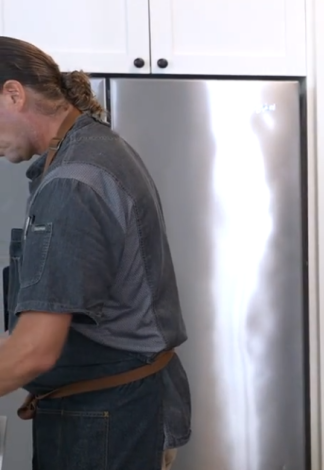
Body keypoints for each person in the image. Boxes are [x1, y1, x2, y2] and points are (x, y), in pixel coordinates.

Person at [0, 37, 191, 470]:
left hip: (105, 421)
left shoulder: (74, 179)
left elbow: (35, 350)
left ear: (13, 94)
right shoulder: (88, 149)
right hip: (116, 409)